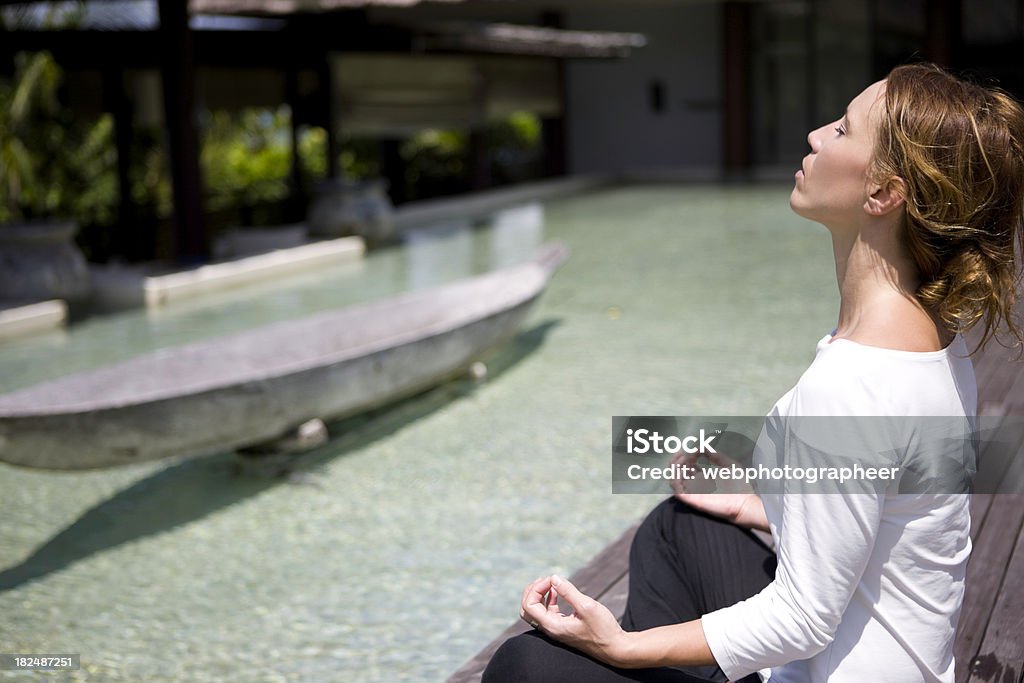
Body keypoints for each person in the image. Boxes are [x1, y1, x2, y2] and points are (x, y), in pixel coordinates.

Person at [482, 62, 1024, 683]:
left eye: (844, 131)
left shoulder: (850, 386)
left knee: (523, 665)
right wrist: (749, 505)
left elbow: (803, 618)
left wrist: (619, 648)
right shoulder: (931, 342)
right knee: (677, 526)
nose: (817, 136)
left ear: (882, 194)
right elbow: (891, 499)